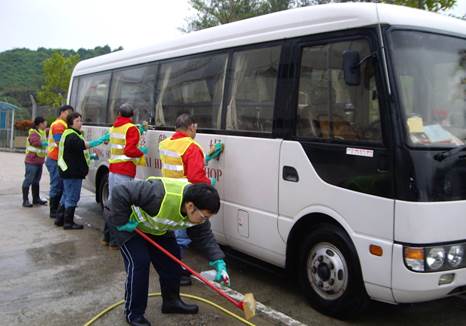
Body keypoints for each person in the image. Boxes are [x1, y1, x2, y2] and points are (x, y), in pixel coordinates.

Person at [106, 177, 224, 326]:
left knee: (172, 262)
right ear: (190, 206)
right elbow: (119, 192)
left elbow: (204, 236)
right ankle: (134, 313)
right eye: (204, 217)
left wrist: (218, 260)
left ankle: (171, 302)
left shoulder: (198, 213)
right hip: (129, 224)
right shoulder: (158, 194)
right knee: (139, 263)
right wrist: (122, 221)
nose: (204, 220)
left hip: (155, 227)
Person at [159, 113, 227, 286]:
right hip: (186, 198)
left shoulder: (166, 144)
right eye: (195, 127)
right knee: (180, 239)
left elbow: (182, 164)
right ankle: (177, 273)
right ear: (191, 127)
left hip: (170, 195)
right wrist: (208, 184)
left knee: (174, 236)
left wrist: (207, 157)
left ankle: (174, 269)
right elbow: (195, 176)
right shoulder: (191, 146)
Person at [103, 103, 147, 248]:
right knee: (121, 206)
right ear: (132, 115)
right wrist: (141, 151)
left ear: (120, 114)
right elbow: (129, 150)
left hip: (113, 169)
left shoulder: (115, 127)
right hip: (125, 170)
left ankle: (107, 237)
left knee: (111, 203)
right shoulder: (131, 128)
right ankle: (116, 241)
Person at [54, 112, 90, 230]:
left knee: (66, 195)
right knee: (72, 197)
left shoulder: (69, 133)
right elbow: (84, 146)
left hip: (68, 171)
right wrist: (102, 139)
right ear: (71, 123)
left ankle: (60, 219)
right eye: (77, 121)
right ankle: (68, 222)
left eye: (81, 120)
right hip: (72, 172)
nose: (80, 123)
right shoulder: (72, 136)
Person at [45, 105, 73, 219]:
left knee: (60, 185)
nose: (69, 115)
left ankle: (56, 209)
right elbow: (59, 141)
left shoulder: (63, 124)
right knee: (56, 185)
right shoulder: (58, 125)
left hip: (58, 159)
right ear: (62, 112)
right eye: (68, 112)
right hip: (55, 158)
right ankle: (53, 210)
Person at [22, 116, 48, 207]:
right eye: (45, 122)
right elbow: (35, 143)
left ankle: (36, 199)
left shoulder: (42, 132)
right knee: (28, 180)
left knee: (36, 181)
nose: (46, 124)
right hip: (31, 161)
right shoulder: (34, 133)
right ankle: (25, 200)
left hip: (39, 161)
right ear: (40, 124)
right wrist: (45, 143)